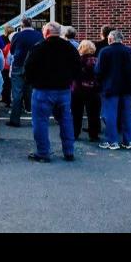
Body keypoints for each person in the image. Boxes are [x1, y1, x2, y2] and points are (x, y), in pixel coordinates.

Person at [24, 21, 80, 162]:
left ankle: (43, 152)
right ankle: (69, 151)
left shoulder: (38, 47)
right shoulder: (69, 47)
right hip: (63, 90)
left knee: (40, 122)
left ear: (46, 32)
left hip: (42, 90)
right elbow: (78, 68)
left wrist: (32, 82)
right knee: (65, 120)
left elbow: (28, 68)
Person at [95, 29, 131, 150]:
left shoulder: (105, 51)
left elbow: (99, 71)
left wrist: (100, 83)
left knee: (110, 115)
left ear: (110, 39)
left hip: (110, 87)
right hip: (128, 88)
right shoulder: (130, 52)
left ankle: (112, 141)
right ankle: (129, 141)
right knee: (128, 115)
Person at [6, 18, 43, 127]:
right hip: (34, 66)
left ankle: (15, 120)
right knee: (33, 93)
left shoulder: (17, 36)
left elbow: (12, 51)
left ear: (21, 26)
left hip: (18, 65)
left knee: (17, 93)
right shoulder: (39, 35)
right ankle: (36, 119)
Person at [73, 40, 101, 142]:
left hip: (78, 90)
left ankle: (75, 133)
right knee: (93, 114)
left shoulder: (77, 60)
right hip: (93, 90)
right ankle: (93, 134)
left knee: (76, 113)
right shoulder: (97, 61)